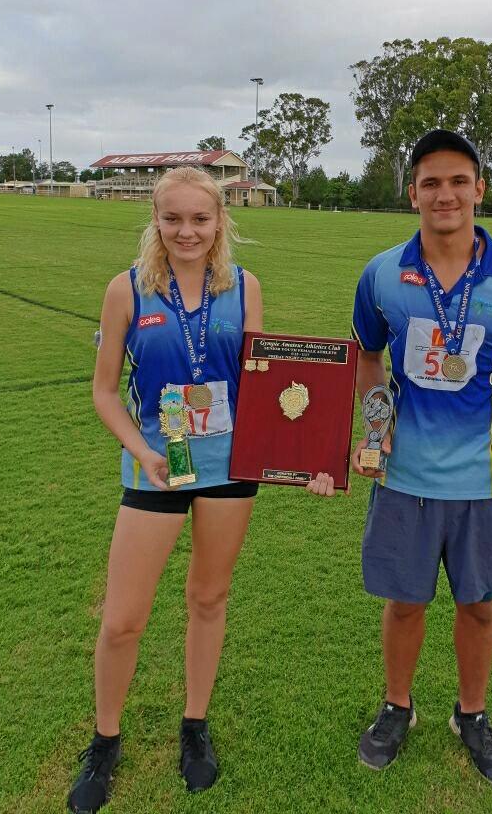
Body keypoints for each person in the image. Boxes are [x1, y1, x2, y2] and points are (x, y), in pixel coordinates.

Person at [68, 166, 332, 814]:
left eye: (200, 219)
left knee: (208, 598)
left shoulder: (245, 287)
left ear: (221, 221)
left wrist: (309, 460)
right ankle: (105, 740)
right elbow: (104, 390)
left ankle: (194, 725)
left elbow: (264, 387)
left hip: (230, 466)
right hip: (160, 463)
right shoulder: (126, 291)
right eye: (173, 218)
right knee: (123, 618)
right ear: (155, 221)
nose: (187, 231)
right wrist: (142, 450)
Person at [349, 128, 492, 787]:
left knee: (479, 604)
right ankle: (398, 706)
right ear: (412, 194)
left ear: (480, 188)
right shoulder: (382, 274)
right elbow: (368, 356)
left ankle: (471, 714)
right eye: (429, 182)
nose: (443, 193)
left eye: (457, 181)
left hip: (487, 477)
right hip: (407, 475)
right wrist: (375, 425)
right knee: (405, 601)